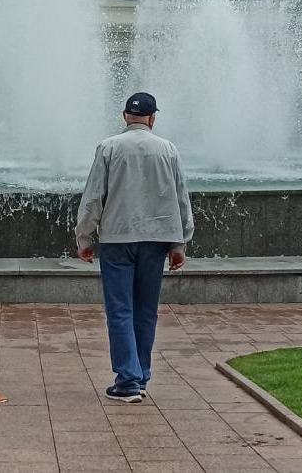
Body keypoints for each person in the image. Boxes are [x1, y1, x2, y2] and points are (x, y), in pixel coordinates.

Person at [76, 92, 193, 404]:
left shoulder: (109, 147)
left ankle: (128, 380)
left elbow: (93, 197)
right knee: (145, 310)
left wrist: (84, 238)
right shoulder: (168, 149)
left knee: (120, 309)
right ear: (153, 118)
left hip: (118, 238)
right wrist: (179, 243)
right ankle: (140, 377)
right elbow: (181, 199)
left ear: (125, 115)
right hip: (156, 240)